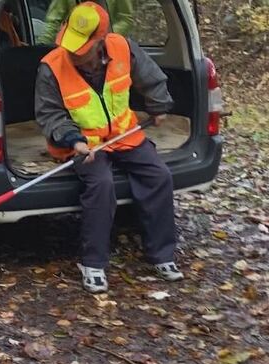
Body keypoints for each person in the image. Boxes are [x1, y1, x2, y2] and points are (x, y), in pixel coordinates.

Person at [34, 1, 183, 293]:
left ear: (99, 41)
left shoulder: (122, 48)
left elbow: (151, 78)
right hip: (83, 144)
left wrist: (159, 106)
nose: (74, 54)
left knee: (159, 176)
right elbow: (49, 115)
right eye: (70, 45)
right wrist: (73, 140)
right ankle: (93, 264)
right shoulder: (51, 66)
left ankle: (162, 255)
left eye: (81, 49)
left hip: (125, 135)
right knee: (101, 185)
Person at [36, 0, 133, 46]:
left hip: (109, 45)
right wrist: (42, 44)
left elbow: (126, 19)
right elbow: (53, 21)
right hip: (75, 43)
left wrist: (104, 37)